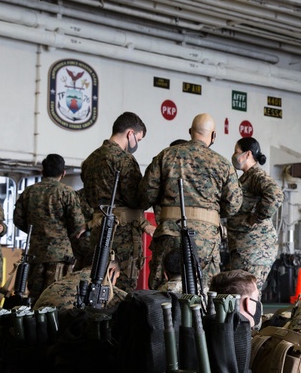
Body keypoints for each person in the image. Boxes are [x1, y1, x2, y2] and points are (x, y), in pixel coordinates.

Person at [140, 113, 241, 290]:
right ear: (213, 135)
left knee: (162, 290)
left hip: (170, 234)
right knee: (204, 291)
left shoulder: (166, 156)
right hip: (206, 239)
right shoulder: (223, 164)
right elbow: (233, 205)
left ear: (190, 131)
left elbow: (146, 194)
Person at [81, 112, 150, 292]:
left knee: (97, 285)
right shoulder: (125, 160)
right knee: (121, 289)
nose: (137, 144)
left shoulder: (90, 160)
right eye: (138, 139)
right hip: (123, 235)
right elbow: (135, 198)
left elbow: (88, 198)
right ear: (130, 134)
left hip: (98, 232)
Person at [12, 154, 87, 299]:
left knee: (34, 297)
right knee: (56, 296)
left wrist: (35, 232)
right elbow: (77, 224)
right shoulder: (67, 192)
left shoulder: (29, 192)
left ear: (42, 171)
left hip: (35, 253)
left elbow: (18, 219)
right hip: (60, 256)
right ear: (63, 173)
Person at [226, 137, 283, 289]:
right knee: (239, 293)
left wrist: (256, 217)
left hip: (254, 249)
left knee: (248, 293)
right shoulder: (246, 177)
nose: (234, 155)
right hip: (244, 248)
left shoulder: (256, 175)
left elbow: (276, 194)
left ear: (247, 154)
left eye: (236, 151)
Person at [34, 260, 127, 312]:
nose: (114, 284)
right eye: (116, 278)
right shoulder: (102, 287)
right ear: (111, 272)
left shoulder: (68, 277)